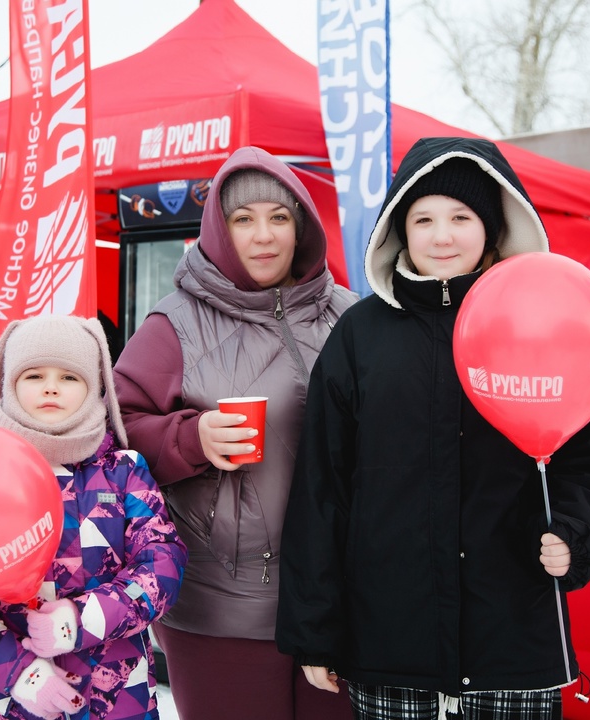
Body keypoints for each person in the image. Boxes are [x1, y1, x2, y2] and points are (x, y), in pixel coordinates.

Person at [275, 137, 590, 720]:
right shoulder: (361, 336)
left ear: (491, 228)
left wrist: (575, 533)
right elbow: (323, 489)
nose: (442, 236)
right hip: (389, 644)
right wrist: (313, 628)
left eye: (461, 217)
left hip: (514, 645)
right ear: (399, 228)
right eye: (424, 219)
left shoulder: (539, 324)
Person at [113, 146, 358, 720]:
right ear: (219, 231)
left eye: (279, 217)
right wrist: (191, 439)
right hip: (222, 602)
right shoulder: (174, 323)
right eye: (243, 220)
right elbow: (117, 429)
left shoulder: (348, 317)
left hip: (338, 599)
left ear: (301, 228)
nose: (263, 235)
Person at [0, 314, 188, 720]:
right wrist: (16, 672)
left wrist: (84, 619)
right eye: (34, 375)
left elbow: (162, 563)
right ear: (8, 382)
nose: (51, 387)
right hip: (12, 703)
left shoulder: (124, 471)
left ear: (95, 386)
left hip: (118, 701)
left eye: (69, 377)